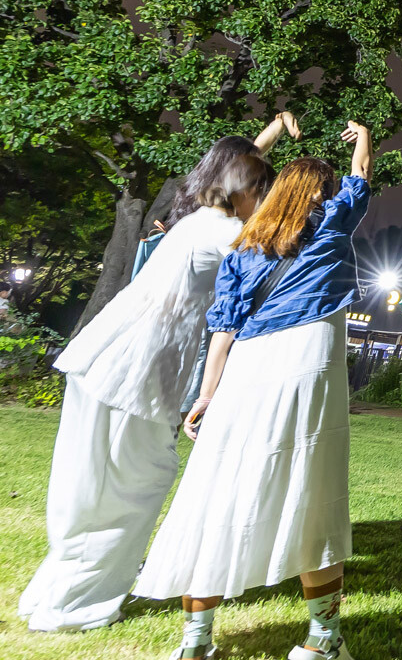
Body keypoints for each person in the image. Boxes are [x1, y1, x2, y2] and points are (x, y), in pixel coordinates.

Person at [18, 115, 296, 633]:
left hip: (101, 356)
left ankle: (55, 594)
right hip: (140, 372)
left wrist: (274, 131)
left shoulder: (194, 219)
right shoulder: (229, 236)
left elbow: (237, 165)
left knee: (85, 484)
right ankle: (77, 606)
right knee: (133, 484)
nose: (267, 202)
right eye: (263, 189)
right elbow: (276, 260)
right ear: (246, 189)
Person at [134, 122, 374, 660]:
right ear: (319, 194)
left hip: (247, 370)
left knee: (219, 495)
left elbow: (222, 331)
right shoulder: (333, 225)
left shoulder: (244, 248)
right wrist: (363, 137)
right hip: (309, 367)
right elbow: (360, 178)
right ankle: (322, 641)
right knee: (315, 497)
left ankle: (194, 646)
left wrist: (205, 396)